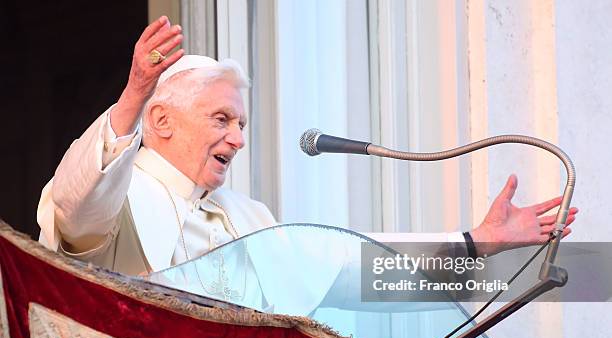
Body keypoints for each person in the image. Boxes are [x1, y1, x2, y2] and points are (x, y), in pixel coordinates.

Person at [37, 16, 577, 313]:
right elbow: (75, 203)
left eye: (242, 124)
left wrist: (476, 243)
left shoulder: (250, 220)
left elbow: (356, 274)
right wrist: (132, 95)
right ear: (161, 121)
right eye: (222, 118)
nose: (238, 139)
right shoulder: (118, 196)